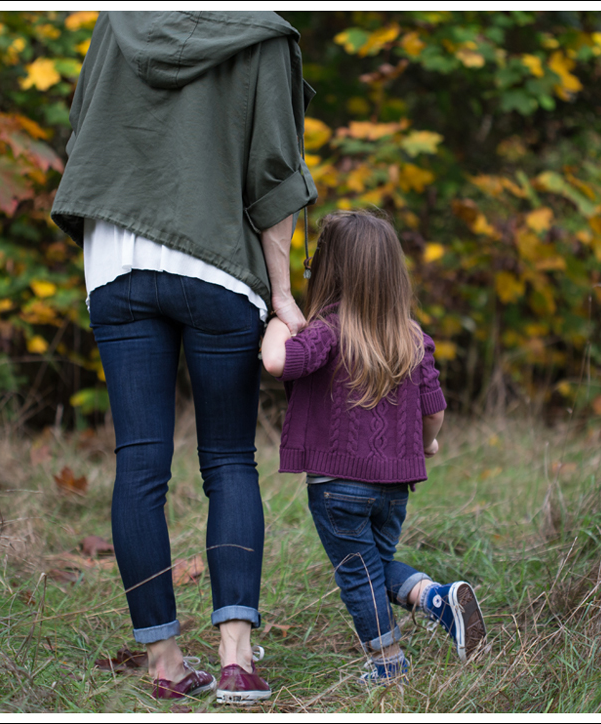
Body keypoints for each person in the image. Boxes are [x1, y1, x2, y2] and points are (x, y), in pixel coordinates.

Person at [51, 11, 317, 703]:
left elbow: (84, 131)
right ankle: (235, 660)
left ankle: (166, 665)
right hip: (217, 260)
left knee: (140, 460)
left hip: (115, 258)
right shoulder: (262, 33)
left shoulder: (116, 20)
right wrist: (283, 296)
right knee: (228, 459)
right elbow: (277, 173)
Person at [261, 210, 487, 686]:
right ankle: (432, 598)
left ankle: (387, 665)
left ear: (329, 268)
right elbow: (434, 409)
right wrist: (429, 443)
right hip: (394, 489)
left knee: (357, 576)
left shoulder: (325, 329)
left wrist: (283, 315)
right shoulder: (411, 336)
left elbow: (277, 361)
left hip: (337, 488)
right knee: (375, 566)